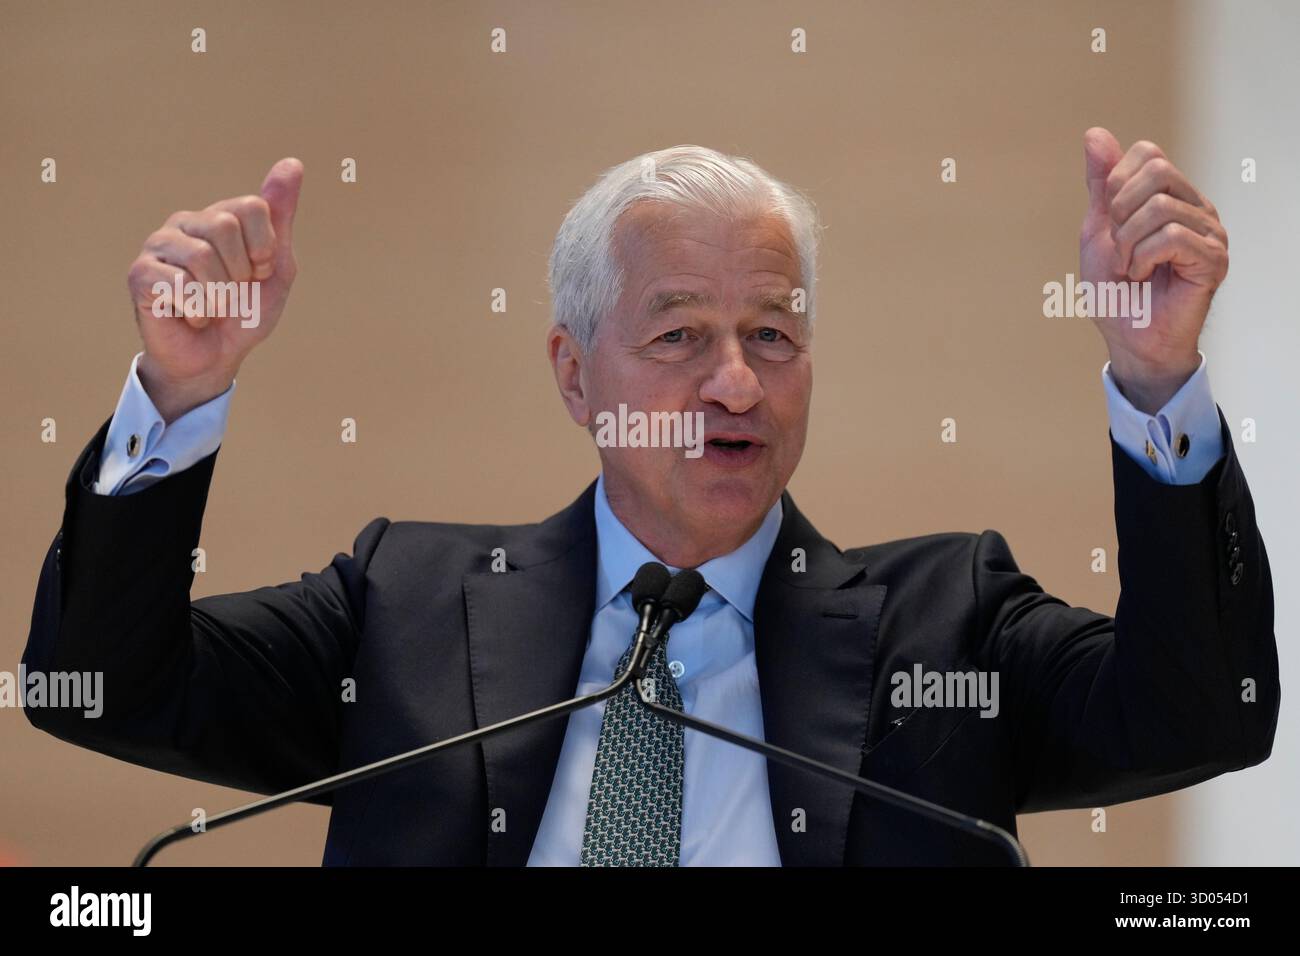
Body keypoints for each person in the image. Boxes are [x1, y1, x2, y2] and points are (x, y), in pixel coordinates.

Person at [23, 131, 1278, 865]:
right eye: (676, 335)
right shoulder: (403, 604)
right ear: (576, 372)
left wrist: (1154, 375)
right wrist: (178, 397)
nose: (735, 381)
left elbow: (1200, 713)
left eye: (773, 336)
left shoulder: (943, 622)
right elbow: (103, 686)